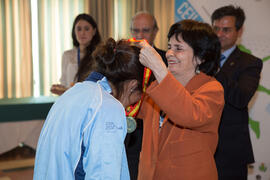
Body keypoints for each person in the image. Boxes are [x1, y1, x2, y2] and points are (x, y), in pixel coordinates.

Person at [34, 38, 145, 180]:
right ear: (132, 86)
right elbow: (104, 174)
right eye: (134, 102)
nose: (129, 108)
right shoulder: (108, 107)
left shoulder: (72, 93)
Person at [137, 19, 225, 180]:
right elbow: (131, 108)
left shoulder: (212, 89)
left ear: (200, 57)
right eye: (169, 47)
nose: (169, 53)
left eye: (178, 48)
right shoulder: (157, 85)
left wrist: (158, 67)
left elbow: (188, 114)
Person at [211, 5, 263, 180]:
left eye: (226, 30)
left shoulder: (250, 63)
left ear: (239, 31)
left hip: (231, 152)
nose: (219, 34)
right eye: (216, 28)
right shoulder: (200, 59)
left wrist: (217, 68)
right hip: (201, 147)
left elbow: (240, 98)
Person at [125, 11, 168, 180]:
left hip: (154, 133)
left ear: (156, 31)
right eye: (135, 31)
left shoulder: (166, 60)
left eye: (145, 30)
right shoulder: (122, 60)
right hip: (125, 133)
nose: (140, 36)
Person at [50, 13, 101, 95]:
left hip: (91, 102)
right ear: (74, 31)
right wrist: (60, 89)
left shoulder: (99, 55)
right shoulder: (67, 55)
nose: (82, 33)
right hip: (70, 102)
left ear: (94, 31)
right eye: (79, 29)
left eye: (87, 29)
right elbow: (64, 82)